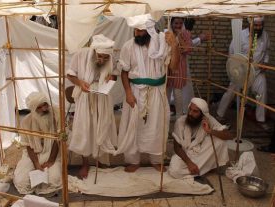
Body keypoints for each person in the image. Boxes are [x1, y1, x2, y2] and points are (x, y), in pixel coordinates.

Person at [118, 14, 178, 173]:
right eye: (136, 30)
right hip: (135, 92)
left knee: (156, 126)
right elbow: (124, 72)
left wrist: (175, 45)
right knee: (133, 126)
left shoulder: (162, 45)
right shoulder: (128, 46)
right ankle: (133, 160)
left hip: (157, 92)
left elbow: (173, 66)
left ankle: (156, 159)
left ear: (151, 30)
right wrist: (128, 94)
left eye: (141, 31)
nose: (137, 34)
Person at [67, 34, 118, 178]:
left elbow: (114, 74)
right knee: (85, 128)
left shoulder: (110, 57)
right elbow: (70, 74)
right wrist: (80, 83)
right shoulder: (82, 54)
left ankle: (98, 159)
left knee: (101, 126)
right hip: (85, 96)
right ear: (94, 51)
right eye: (100, 56)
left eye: (105, 58)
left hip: (102, 97)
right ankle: (85, 163)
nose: (102, 60)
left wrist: (111, 77)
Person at [217, 16, 270, 128]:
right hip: (240, 71)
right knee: (231, 92)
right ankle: (219, 115)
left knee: (261, 92)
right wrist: (237, 68)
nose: (258, 27)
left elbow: (267, 51)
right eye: (256, 25)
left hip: (257, 72)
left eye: (260, 25)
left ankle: (261, 120)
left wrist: (265, 62)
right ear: (249, 25)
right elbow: (232, 54)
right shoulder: (240, 35)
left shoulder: (265, 35)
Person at [168, 98, 234, 178]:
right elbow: (176, 147)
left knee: (220, 141)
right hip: (185, 155)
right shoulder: (180, 121)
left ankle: (200, 167)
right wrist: (189, 163)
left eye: (195, 111)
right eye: (190, 109)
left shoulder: (208, 119)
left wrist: (210, 131)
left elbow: (229, 136)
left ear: (202, 114)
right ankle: (204, 167)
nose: (190, 113)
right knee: (174, 171)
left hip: (201, 153)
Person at [14, 92, 61, 195]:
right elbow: (28, 145)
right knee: (22, 181)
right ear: (33, 110)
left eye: (45, 104)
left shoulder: (57, 114)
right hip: (33, 155)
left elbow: (59, 140)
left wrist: (51, 161)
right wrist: (36, 164)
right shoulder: (26, 122)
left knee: (53, 180)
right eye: (39, 108)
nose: (44, 109)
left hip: (53, 153)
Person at [166, 17, 192, 119]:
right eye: (176, 23)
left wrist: (180, 36)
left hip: (180, 66)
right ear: (171, 23)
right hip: (167, 66)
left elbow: (187, 49)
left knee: (178, 93)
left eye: (180, 23)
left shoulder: (186, 34)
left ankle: (179, 118)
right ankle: (165, 117)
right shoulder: (167, 34)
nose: (178, 25)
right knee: (166, 93)